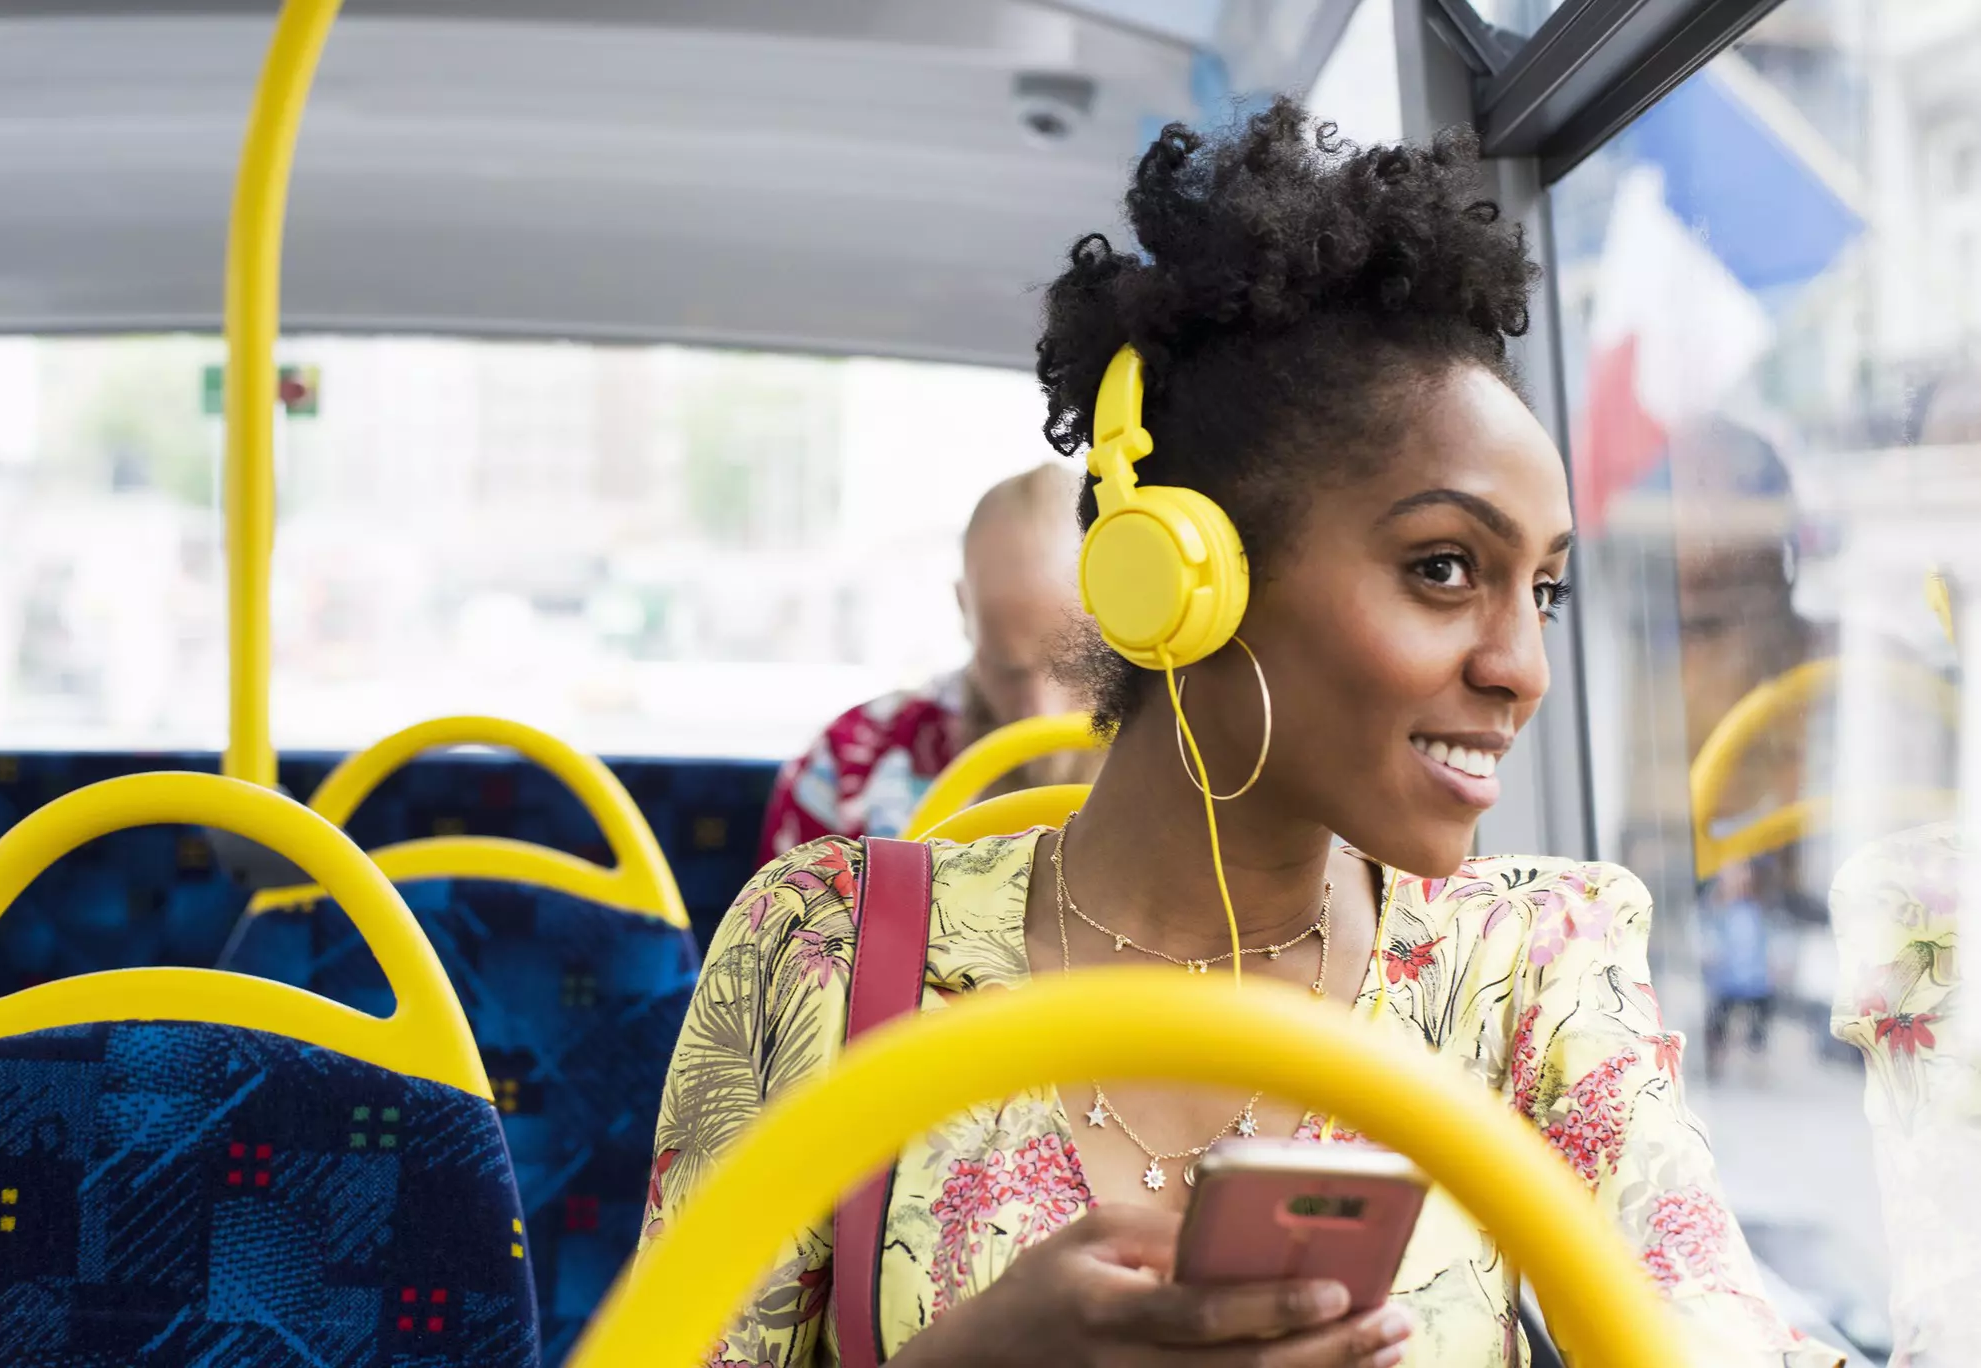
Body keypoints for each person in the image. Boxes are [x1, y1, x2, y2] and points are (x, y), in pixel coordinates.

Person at [647, 102, 1836, 1367]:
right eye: (1443, 568)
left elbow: (1715, 1331)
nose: (1522, 668)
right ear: (1189, 578)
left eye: (1539, 589)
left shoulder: (1529, 967)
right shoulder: (825, 950)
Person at [757, 462, 1097, 860]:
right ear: (963, 609)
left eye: (1078, 669)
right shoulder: (852, 767)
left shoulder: (1176, 755)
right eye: (1008, 672)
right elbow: (779, 915)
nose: (1041, 713)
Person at [1702, 861, 1775, 1076]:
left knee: (1758, 1026)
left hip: (1755, 980)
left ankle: (1756, 1066)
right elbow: (1706, 938)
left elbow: (1768, 940)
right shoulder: (1716, 908)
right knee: (1719, 1023)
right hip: (1726, 980)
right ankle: (1715, 1065)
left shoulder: (1759, 908)